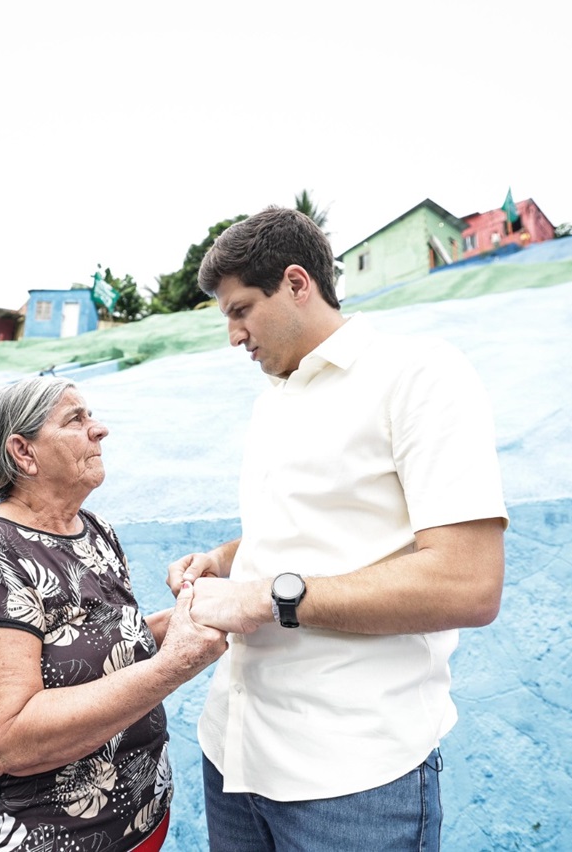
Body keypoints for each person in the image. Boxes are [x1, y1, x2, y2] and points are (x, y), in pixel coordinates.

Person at [167, 207, 508, 851]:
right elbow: (311, 529)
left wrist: (263, 597)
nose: (234, 336)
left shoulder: (418, 375)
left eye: (241, 310)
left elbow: (469, 582)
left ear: (298, 283)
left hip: (352, 778)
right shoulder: (278, 395)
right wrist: (224, 560)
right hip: (234, 753)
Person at [0, 376, 228, 852]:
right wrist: (173, 667)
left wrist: (186, 618)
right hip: (28, 835)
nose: (100, 429)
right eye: (76, 419)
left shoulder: (94, 530)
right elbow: (4, 739)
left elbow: (105, 644)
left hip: (135, 827)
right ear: (24, 453)